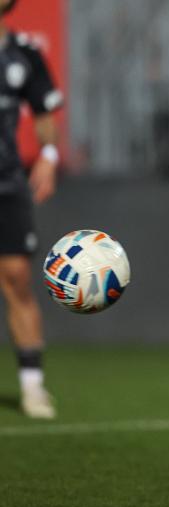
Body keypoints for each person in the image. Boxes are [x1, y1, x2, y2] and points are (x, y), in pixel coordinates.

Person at [0, 0, 64, 419]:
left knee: (17, 280)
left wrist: (49, 156)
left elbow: (44, 113)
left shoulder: (24, 53)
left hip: (7, 184)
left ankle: (32, 386)